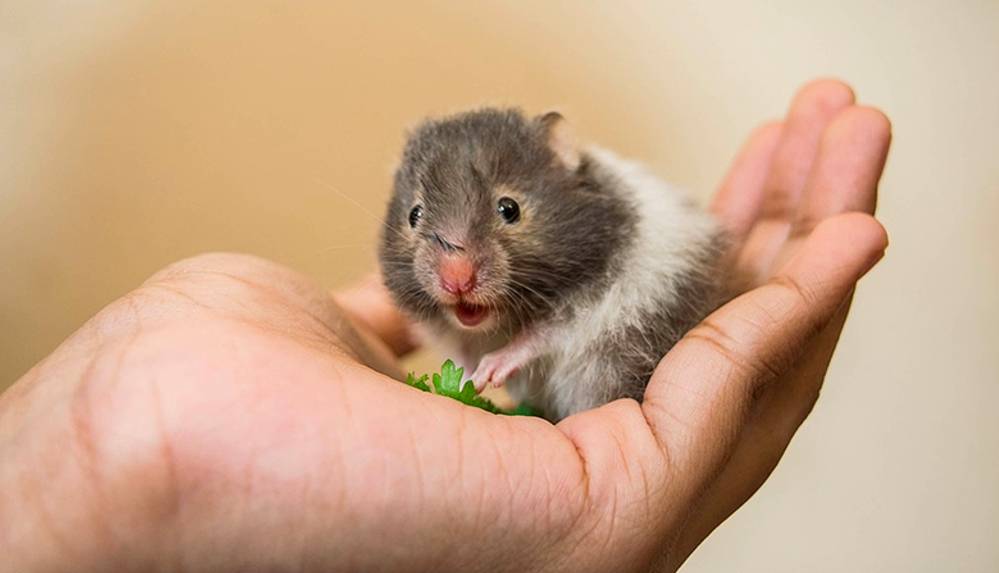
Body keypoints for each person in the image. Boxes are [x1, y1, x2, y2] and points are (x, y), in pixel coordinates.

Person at [0, 79, 890, 572]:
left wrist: (535, 342)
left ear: (556, 172)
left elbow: (583, 301)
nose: (453, 267)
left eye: (505, 212)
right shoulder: (430, 272)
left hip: (606, 326)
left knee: (588, 364)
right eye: (425, 222)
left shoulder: (607, 226)